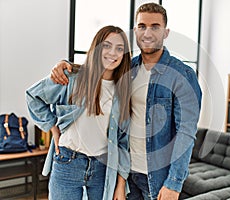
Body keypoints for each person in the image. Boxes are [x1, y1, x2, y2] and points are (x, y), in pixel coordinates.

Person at [51, 3, 202, 200]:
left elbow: (186, 134)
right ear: (135, 31)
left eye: (155, 27)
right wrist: (65, 66)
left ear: (166, 32)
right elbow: (96, 68)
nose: (147, 33)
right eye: (142, 26)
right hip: (126, 175)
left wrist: (174, 183)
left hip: (157, 179)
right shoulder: (126, 68)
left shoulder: (182, 75)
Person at [26, 25, 131, 200]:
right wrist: (53, 128)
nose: (113, 53)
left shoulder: (123, 91)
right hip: (68, 162)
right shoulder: (74, 77)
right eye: (107, 45)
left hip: (103, 169)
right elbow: (33, 96)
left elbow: (123, 142)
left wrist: (121, 185)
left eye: (119, 48)